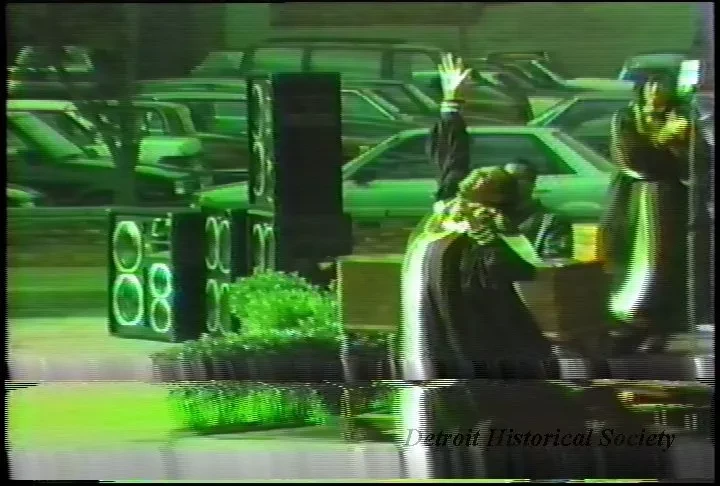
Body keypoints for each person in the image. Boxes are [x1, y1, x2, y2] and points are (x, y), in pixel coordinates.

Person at [598, 76, 692, 353]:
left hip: (669, 201)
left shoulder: (683, 116)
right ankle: (626, 323)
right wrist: (664, 138)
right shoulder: (627, 117)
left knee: (666, 264)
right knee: (627, 260)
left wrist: (667, 146)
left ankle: (659, 326)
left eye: (662, 86)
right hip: (631, 198)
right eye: (651, 86)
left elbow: (688, 162)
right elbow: (634, 158)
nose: (656, 92)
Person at [504, 161, 573, 259]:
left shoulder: (552, 220)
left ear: (532, 183)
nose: (507, 184)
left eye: (515, 179)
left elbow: (555, 260)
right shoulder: (489, 215)